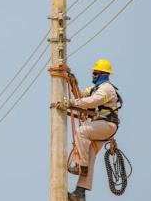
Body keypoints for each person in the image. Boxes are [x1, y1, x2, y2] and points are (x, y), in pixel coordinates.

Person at [57, 59, 122, 201]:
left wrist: (72, 103)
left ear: (103, 74)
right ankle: (80, 194)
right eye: (93, 72)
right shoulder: (95, 88)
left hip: (107, 125)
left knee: (82, 131)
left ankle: (81, 166)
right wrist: (73, 83)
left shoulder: (107, 89)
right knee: (89, 154)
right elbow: (81, 96)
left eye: (95, 72)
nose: (93, 75)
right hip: (101, 125)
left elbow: (93, 102)